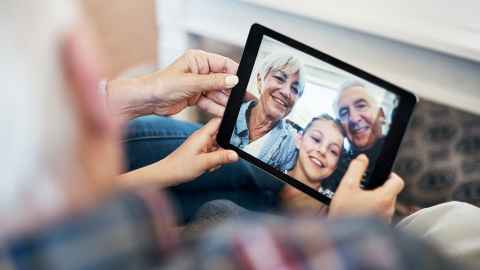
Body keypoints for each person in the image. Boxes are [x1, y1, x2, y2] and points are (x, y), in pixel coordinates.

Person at [230, 53, 305, 171]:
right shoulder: (229, 110)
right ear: (260, 81)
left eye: (295, 89)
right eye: (280, 78)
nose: (286, 92)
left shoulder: (291, 144)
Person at [280, 115, 344, 212]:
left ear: (335, 165)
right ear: (299, 140)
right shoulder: (264, 176)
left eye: (333, 151)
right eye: (316, 139)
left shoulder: (336, 208)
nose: (322, 150)